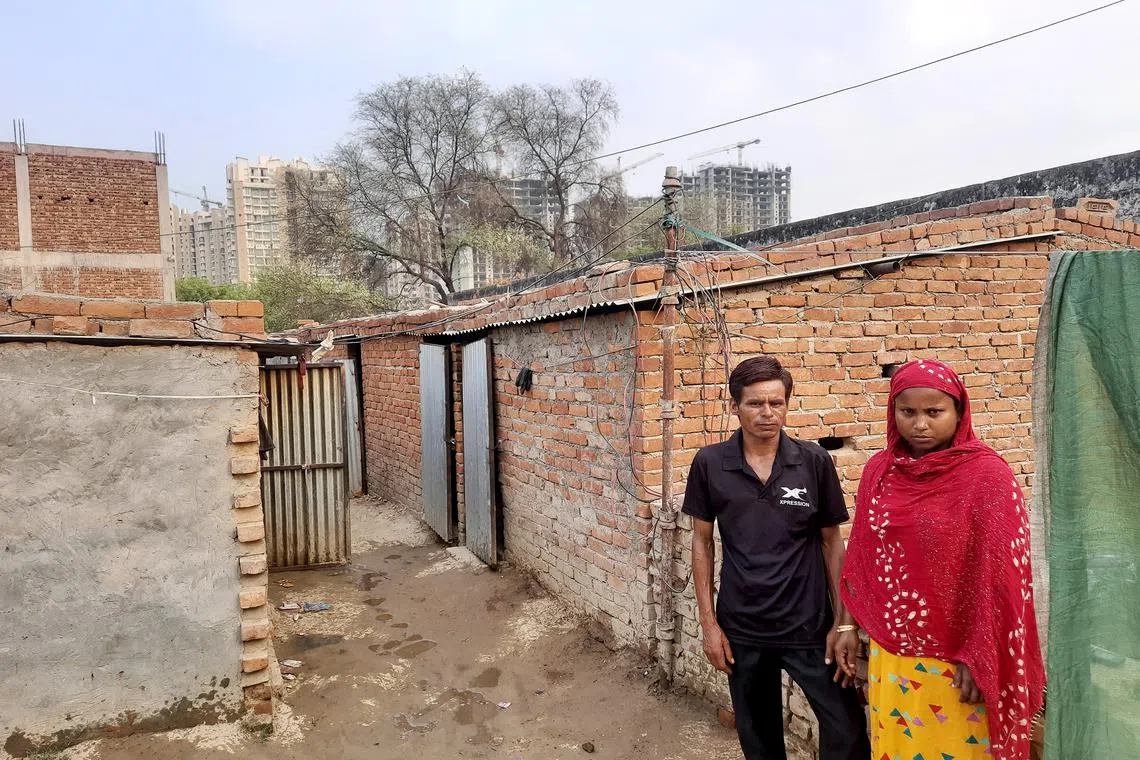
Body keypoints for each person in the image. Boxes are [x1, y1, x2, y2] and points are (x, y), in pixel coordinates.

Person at [841, 358, 1045, 760]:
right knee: (899, 745)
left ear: (958, 412)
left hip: (958, 657)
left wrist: (980, 653)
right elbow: (863, 556)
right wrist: (848, 624)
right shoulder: (879, 472)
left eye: (934, 412)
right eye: (908, 412)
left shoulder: (988, 477)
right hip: (892, 654)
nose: (920, 424)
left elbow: (1002, 576)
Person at [682, 356, 870, 760]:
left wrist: (844, 622)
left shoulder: (813, 461)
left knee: (847, 730)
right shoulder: (710, 463)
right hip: (742, 628)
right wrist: (709, 624)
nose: (767, 413)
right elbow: (702, 541)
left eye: (776, 403)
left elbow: (832, 543)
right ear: (735, 406)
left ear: (787, 404)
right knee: (759, 738)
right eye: (755, 403)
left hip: (810, 626)